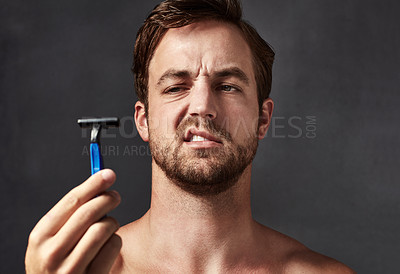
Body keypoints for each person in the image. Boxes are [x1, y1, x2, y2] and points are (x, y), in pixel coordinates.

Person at [25, 0, 355, 273]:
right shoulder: (85, 270)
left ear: (263, 119)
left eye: (227, 86)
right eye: (176, 87)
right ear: (143, 121)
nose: (202, 106)